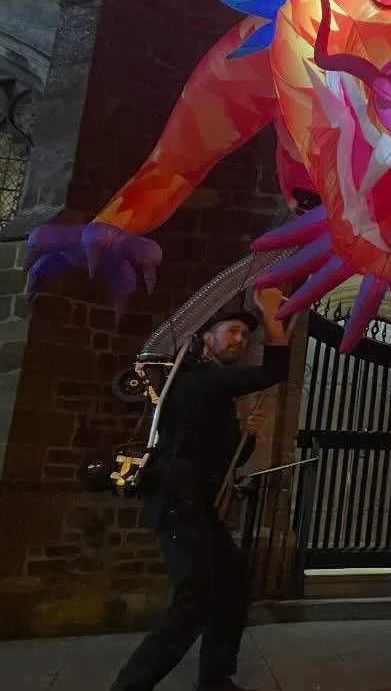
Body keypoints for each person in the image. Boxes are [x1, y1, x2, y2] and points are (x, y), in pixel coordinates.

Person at [110, 288, 293, 691]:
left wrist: (245, 438)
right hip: (177, 501)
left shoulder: (213, 390)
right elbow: (272, 373)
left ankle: (214, 678)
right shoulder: (193, 378)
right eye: (232, 332)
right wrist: (272, 318)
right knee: (194, 599)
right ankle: (129, 686)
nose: (240, 340)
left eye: (246, 336)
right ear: (205, 337)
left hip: (199, 505)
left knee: (232, 583)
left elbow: (227, 460)